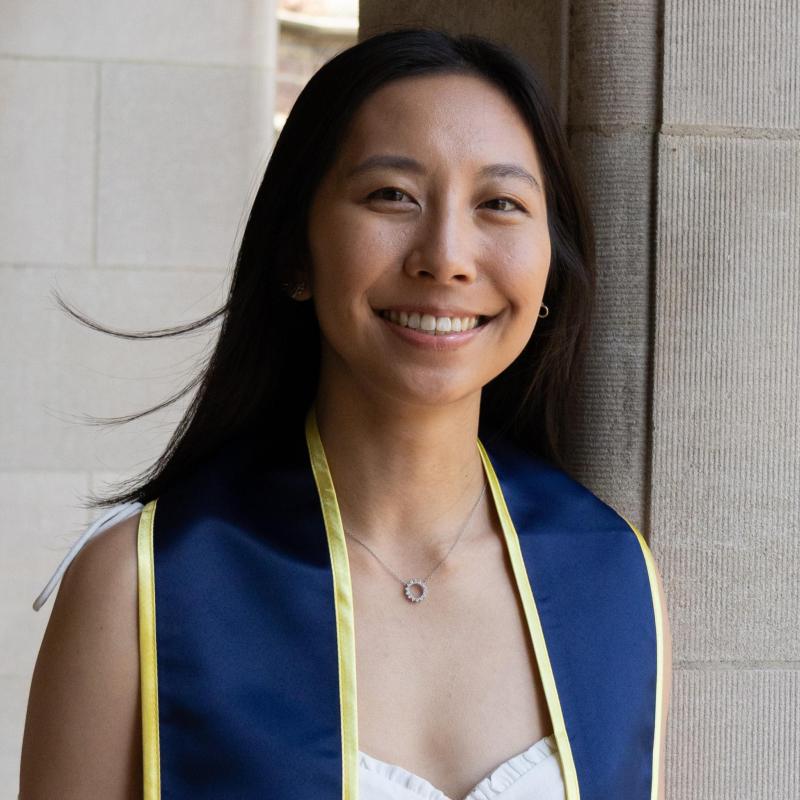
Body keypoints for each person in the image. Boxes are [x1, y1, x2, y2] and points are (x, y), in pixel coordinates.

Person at [19, 27, 672, 800]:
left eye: (500, 204)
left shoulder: (612, 575)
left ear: (550, 272)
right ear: (297, 253)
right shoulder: (144, 585)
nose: (447, 256)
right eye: (392, 195)